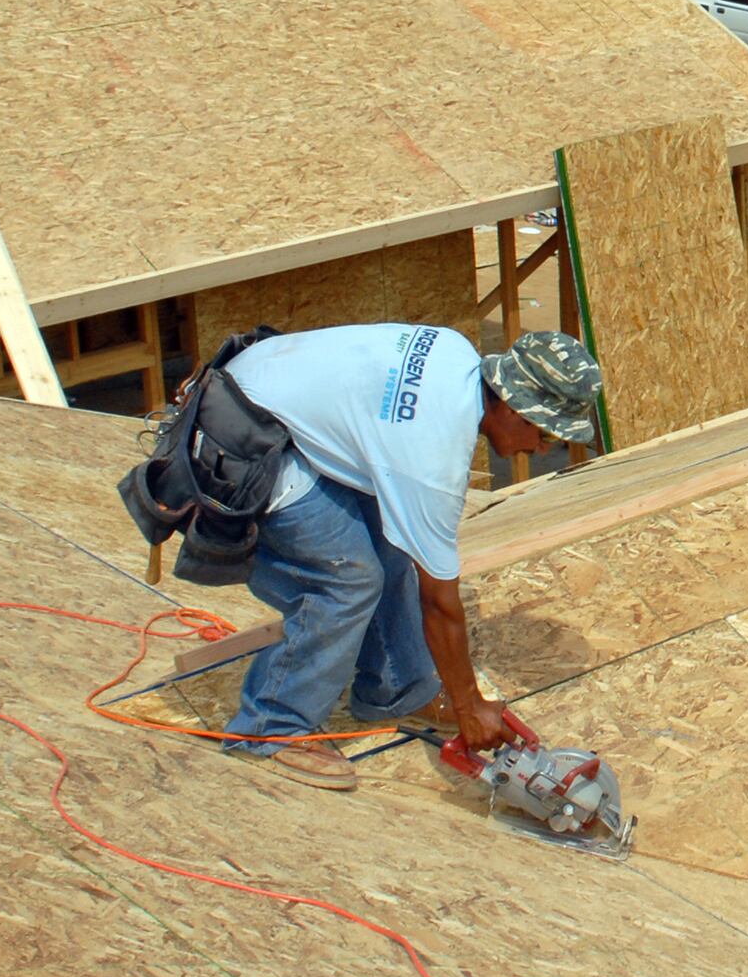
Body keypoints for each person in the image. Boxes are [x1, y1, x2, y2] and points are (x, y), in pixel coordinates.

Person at [218, 325, 601, 791]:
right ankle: (268, 728)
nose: (541, 448)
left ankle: (395, 689)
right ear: (506, 399)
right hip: (239, 440)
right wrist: (468, 705)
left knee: (394, 542)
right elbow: (439, 602)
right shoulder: (433, 459)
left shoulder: (457, 353)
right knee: (347, 578)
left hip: (265, 402)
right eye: (542, 431)